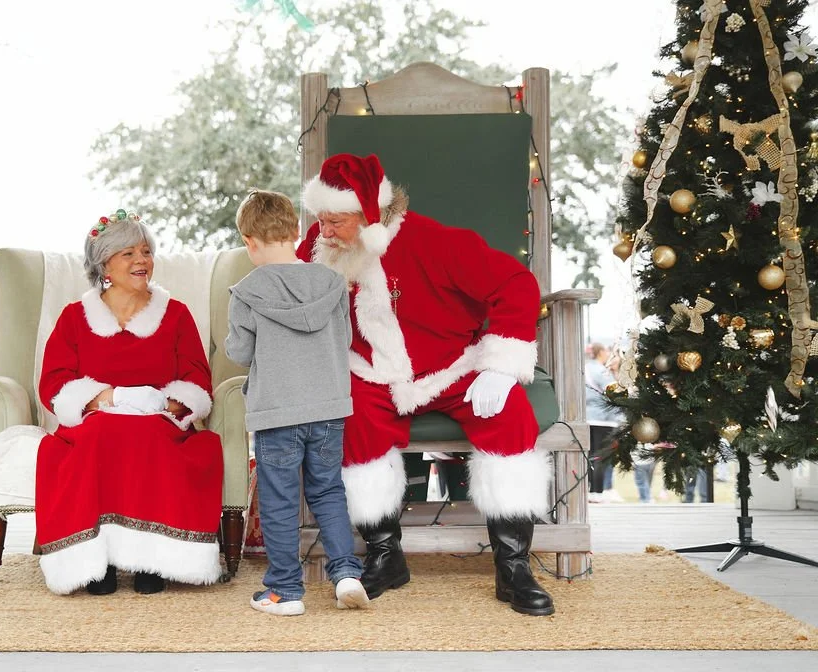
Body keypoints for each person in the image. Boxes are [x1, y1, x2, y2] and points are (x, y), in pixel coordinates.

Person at [295, 153, 554, 616]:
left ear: (371, 215)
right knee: (352, 422)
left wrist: (500, 365)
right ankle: (385, 556)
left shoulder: (435, 243)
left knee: (509, 414)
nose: (323, 231)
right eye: (320, 219)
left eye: (336, 221)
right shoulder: (319, 247)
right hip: (371, 372)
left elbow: (516, 282)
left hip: (450, 366)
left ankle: (513, 568)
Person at [35, 209, 224, 596]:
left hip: (156, 421)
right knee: (100, 433)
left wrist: (164, 404)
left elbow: (196, 379)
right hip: (96, 420)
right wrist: (108, 398)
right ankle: (97, 561)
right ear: (104, 262)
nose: (142, 261)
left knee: (149, 436)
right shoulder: (75, 318)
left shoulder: (175, 315)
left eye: (146, 252)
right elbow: (54, 382)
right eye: (129, 254)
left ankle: (149, 560)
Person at [225, 190, 368, 617]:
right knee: (328, 492)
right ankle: (346, 574)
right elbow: (342, 342)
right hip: (328, 409)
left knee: (280, 500)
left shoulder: (247, 292)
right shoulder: (331, 281)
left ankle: (285, 591)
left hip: (276, 413)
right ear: (294, 232)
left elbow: (240, 353)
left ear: (249, 242)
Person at [585, 343, 624, 503]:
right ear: (601, 352)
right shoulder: (602, 371)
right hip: (604, 419)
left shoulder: (586, 368)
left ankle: (590, 490)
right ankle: (597, 492)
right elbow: (614, 392)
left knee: (590, 455)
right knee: (600, 456)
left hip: (588, 417)